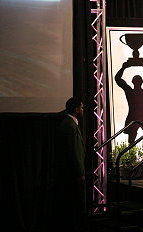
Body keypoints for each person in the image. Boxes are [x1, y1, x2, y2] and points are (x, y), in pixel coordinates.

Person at [54, 97, 86, 229]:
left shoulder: (67, 124)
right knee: (74, 206)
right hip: (72, 175)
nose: (83, 110)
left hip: (67, 174)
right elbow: (74, 152)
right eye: (82, 107)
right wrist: (80, 173)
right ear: (76, 109)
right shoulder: (71, 126)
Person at [114, 59, 143, 146]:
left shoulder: (132, 91)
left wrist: (124, 68)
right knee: (134, 138)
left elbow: (118, 79)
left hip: (139, 115)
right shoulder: (142, 90)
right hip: (137, 115)